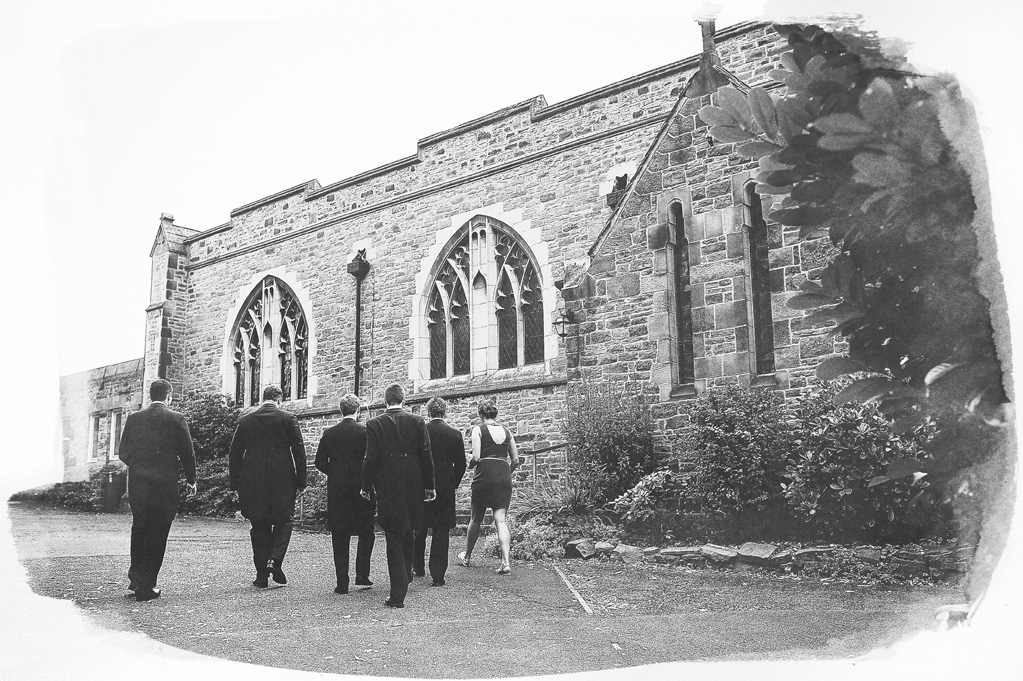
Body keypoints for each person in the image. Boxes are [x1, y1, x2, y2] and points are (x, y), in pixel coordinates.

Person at [117, 378, 197, 602]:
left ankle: (135, 578)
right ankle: (147, 585)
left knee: (140, 528)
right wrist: (191, 480)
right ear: (168, 397)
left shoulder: (134, 419)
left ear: (151, 395)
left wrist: (140, 467)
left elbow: (123, 452)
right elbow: (187, 453)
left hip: (139, 484)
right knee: (158, 531)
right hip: (164, 485)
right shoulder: (176, 418)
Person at [360, 383, 436, 608]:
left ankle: (397, 593)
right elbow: (426, 454)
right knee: (410, 529)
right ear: (404, 400)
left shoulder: (374, 424)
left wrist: (365, 485)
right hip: (413, 483)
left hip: (387, 484)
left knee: (393, 535)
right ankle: (406, 572)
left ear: (385, 401)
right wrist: (430, 485)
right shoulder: (417, 421)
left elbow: (371, 457)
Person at [229, 384, 307, 588]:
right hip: (282, 478)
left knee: (259, 525)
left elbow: (235, 452)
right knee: (285, 520)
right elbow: (299, 450)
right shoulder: (288, 418)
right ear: (279, 399)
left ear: (263, 398)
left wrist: (235, 482)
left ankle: (261, 575)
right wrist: (302, 481)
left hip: (252, 479)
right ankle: (275, 560)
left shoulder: (246, 420)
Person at [314, 393, 376, 594]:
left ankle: (342, 582)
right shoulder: (366, 432)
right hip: (362, 488)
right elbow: (372, 459)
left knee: (340, 535)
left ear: (341, 411)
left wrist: (335, 472)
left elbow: (319, 462)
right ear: (358, 410)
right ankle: (362, 574)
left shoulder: (329, 433)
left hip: (338, 489)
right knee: (366, 531)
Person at [459, 399, 519, 575]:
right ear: (495, 413)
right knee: (501, 520)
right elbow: (515, 460)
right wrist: (506, 473)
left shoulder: (478, 429)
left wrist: (470, 464)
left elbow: (476, 457)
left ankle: (467, 556)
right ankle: (505, 562)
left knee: (475, 518)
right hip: (503, 476)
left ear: (481, 414)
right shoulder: (507, 431)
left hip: (484, 476)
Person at [413, 397, 467, 586]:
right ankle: (438, 575)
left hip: (422, 484)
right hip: (445, 486)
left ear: (428, 412)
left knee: (419, 527)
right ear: (444, 412)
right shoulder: (454, 434)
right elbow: (461, 464)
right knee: (441, 530)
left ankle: (417, 567)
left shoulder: (421, 432)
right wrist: (453, 483)